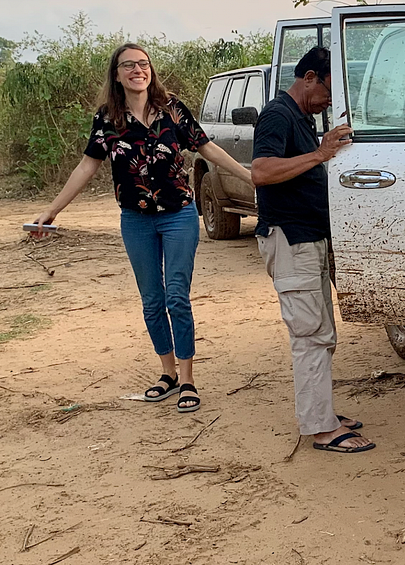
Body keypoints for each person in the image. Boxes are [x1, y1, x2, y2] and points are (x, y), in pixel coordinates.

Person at [33, 43, 252, 413]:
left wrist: (250, 178)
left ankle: (187, 379)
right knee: (152, 300)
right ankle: (167, 373)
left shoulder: (172, 109)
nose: (138, 70)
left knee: (176, 296)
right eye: (128, 65)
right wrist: (52, 210)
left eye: (143, 63)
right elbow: (87, 167)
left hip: (179, 214)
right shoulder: (107, 119)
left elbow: (207, 148)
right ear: (116, 74)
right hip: (135, 220)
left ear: (151, 70)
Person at [250, 46, 374, 453]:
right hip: (291, 239)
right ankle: (320, 429)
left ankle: (322, 411)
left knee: (322, 331)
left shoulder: (301, 118)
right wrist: (320, 154)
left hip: (308, 239)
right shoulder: (277, 114)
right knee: (309, 334)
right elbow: (261, 171)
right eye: (328, 89)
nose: (330, 100)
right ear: (308, 78)